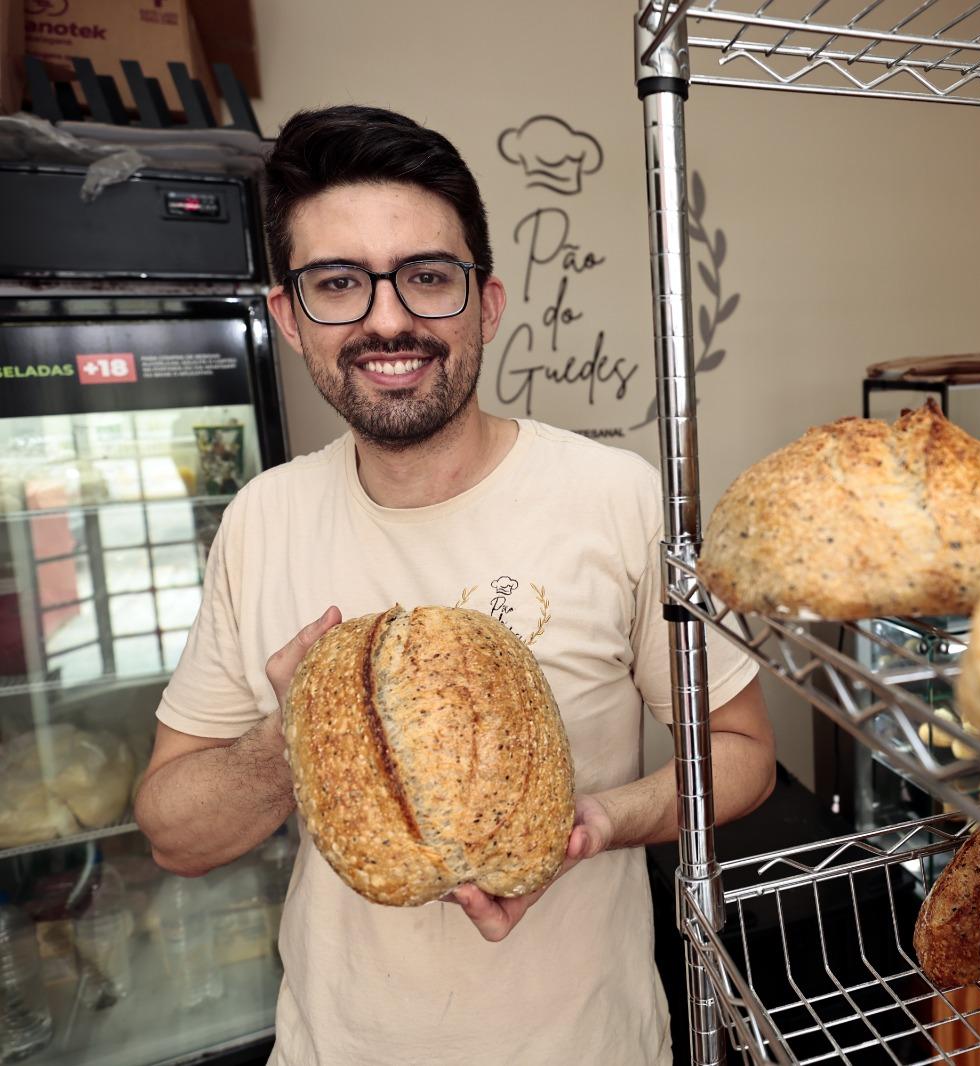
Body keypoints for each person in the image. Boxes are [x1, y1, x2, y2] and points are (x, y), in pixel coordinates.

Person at [132, 105, 774, 1066]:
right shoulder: (263, 519)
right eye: (338, 284)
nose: (388, 320)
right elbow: (175, 838)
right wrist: (296, 734)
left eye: (427, 277)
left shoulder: (615, 497)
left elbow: (745, 754)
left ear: (487, 303)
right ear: (288, 319)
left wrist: (597, 823)